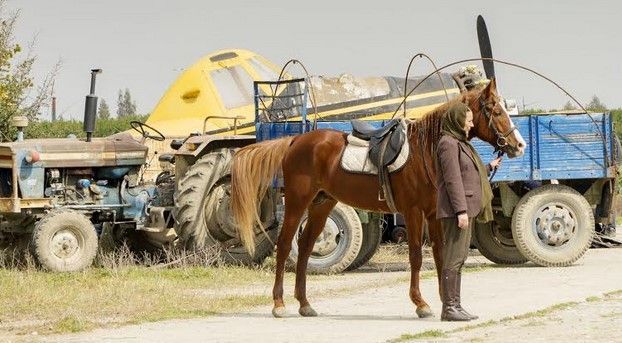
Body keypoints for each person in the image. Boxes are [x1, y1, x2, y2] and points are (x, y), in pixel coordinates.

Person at [435, 102, 502, 322]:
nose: (471, 124)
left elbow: (467, 171)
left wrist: (489, 166)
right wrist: (461, 211)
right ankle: (449, 308)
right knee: (453, 259)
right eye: (468, 120)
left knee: (460, 258)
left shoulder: (459, 143)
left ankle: (455, 305)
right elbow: (453, 180)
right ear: (456, 120)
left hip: (463, 209)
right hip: (456, 211)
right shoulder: (448, 144)